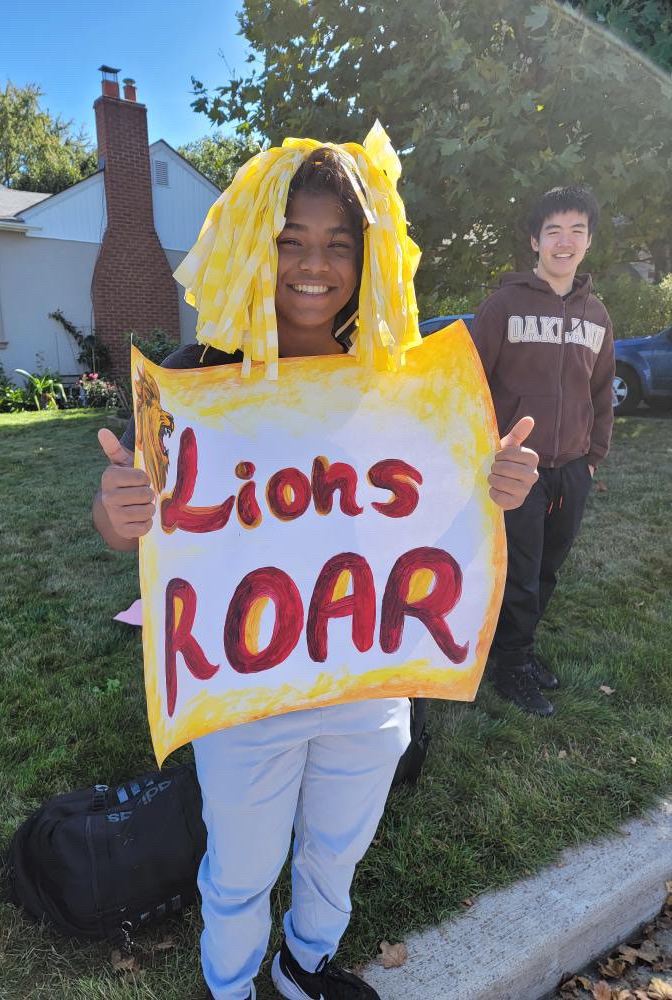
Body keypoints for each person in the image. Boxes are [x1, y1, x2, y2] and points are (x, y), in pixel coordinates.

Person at [93, 135, 539, 1000]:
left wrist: (495, 486)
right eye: (291, 238)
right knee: (243, 862)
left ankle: (304, 967)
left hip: (368, 673)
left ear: (367, 259)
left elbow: (435, 508)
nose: (314, 263)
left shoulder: (398, 379)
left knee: (338, 845)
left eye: (340, 243)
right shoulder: (199, 379)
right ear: (256, 245)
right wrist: (115, 514)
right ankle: (232, 987)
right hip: (246, 684)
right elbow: (138, 523)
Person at [471, 185, 615, 718]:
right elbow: (474, 384)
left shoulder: (597, 316)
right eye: (554, 230)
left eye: (577, 230)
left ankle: (521, 652)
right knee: (518, 571)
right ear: (535, 240)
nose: (565, 241)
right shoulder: (504, 305)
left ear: (588, 242)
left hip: (573, 468)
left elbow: (602, 391)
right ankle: (509, 665)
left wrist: (593, 455)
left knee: (549, 569)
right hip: (518, 470)